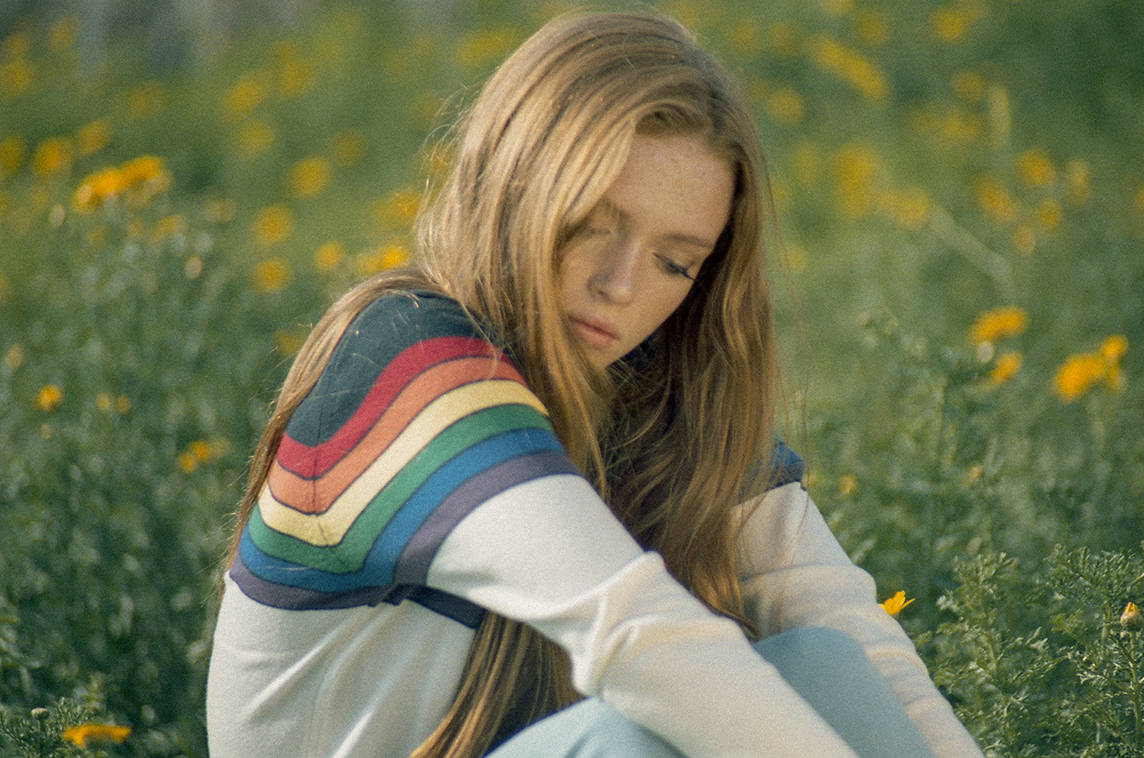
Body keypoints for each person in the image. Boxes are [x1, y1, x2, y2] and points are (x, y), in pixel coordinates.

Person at [205, 11, 984, 758]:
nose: (620, 284)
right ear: (517, 181)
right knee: (629, 740)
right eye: (594, 222)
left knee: (824, 663)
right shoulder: (410, 357)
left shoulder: (652, 390)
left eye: (674, 262)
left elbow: (854, 633)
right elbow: (641, 637)